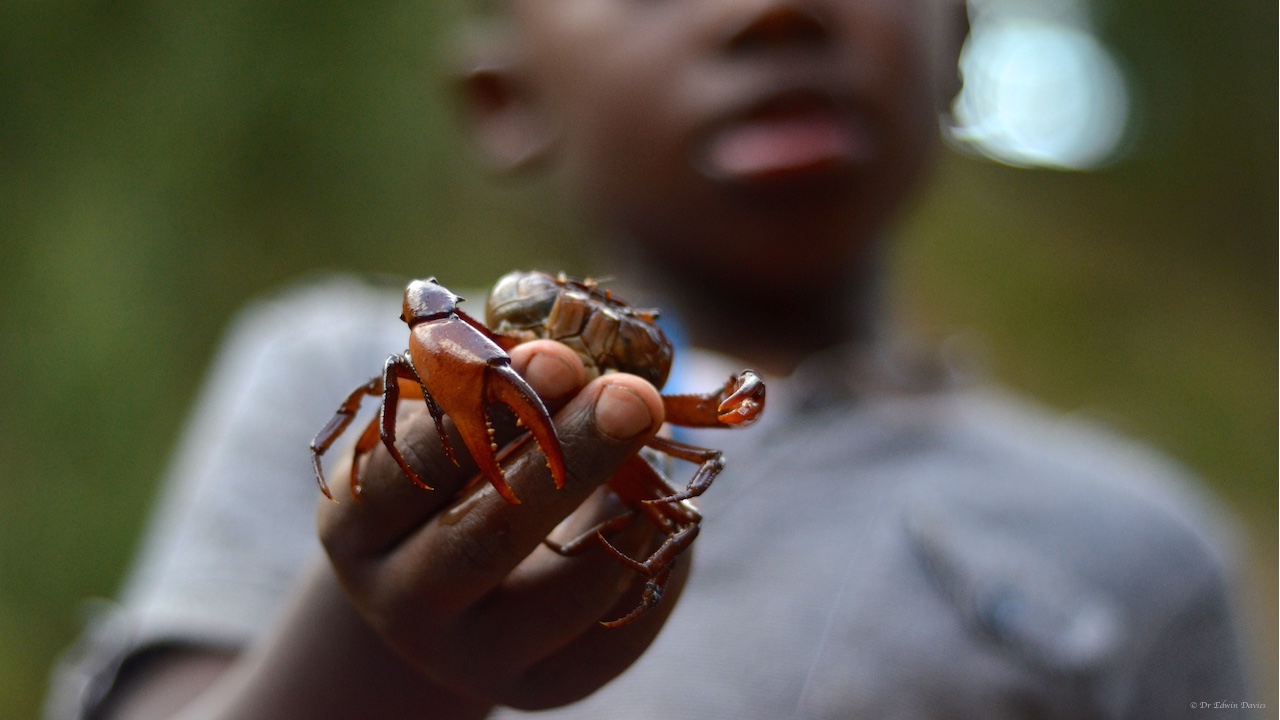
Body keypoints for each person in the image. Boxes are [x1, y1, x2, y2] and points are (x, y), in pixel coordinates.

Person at [47, 0, 1255, 718]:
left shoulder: (1143, 550)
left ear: (957, 48)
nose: (769, 9)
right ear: (502, 96)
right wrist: (367, 658)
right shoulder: (325, 354)